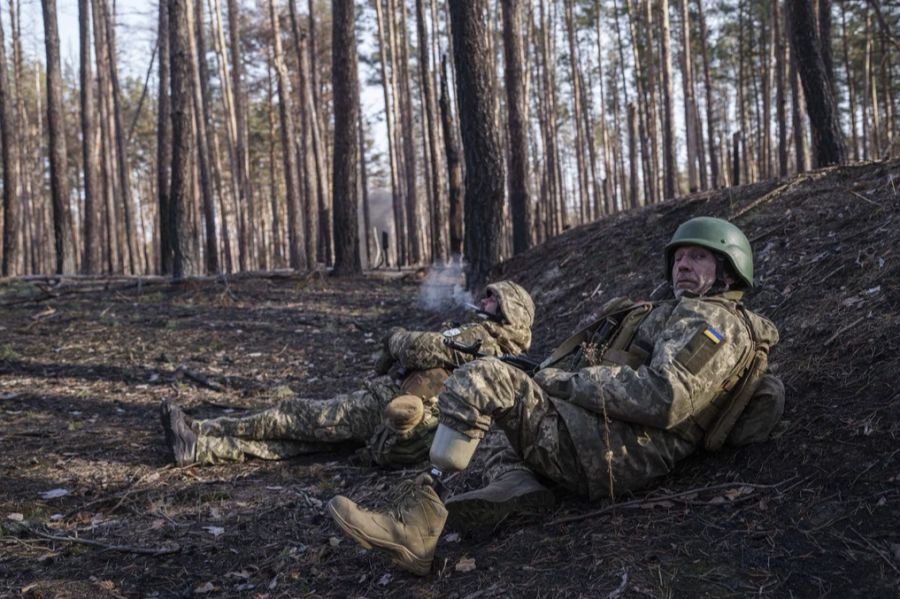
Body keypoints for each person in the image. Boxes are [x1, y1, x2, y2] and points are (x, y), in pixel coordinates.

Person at [327, 217, 786, 576]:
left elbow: (666, 397)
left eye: (698, 258)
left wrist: (562, 382)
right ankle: (517, 484)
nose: (682, 265)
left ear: (727, 271)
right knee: (501, 400)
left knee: (484, 378)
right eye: (679, 257)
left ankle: (417, 529)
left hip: (615, 452)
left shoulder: (715, 323)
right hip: (601, 436)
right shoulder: (670, 312)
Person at [159, 280, 535, 469]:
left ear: (508, 313)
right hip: (403, 422)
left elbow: (419, 349)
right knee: (301, 443)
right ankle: (199, 446)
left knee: (294, 416)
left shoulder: (481, 337)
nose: (483, 301)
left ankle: (203, 432)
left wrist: (396, 338)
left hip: (389, 407)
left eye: (492, 299)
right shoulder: (497, 351)